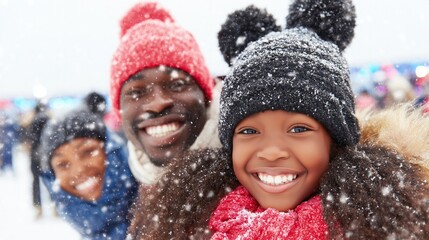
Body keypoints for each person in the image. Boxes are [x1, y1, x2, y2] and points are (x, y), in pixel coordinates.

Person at [128, 1, 429, 239]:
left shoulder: (389, 223)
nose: (272, 150)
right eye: (248, 131)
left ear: (336, 142)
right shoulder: (194, 222)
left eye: (298, 129)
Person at [110, 1, 221, 185]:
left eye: (177, 84)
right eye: (136, 91)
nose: (157, 103)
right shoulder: (131, 190)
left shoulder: (254, 177)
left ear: (206, 96)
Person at [39, 109, 138, 240]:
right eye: (62, 164)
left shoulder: (161, 212)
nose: (79, 170)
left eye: (88, 152)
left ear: (110, 150)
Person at [27, 100, 50, 218]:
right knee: (50, 180)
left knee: (36, 181)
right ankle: (54, 205)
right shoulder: (48, 120)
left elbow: (29, 138)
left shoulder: (33, 121)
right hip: (47, 155)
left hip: (36, 154)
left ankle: (38, 207)